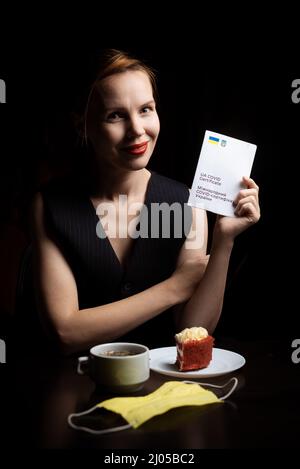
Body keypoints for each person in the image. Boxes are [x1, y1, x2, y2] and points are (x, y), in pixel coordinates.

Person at [30, 49, 260, 355]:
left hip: (160, 389)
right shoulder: (51, 205)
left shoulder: (185, 203)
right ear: (83, 126)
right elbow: (65, 331)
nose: (137, 131)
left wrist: (224, 242)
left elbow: (192, 329)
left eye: (146, 110)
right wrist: (173, 288)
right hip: (75, 388)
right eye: (115, 115)